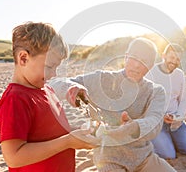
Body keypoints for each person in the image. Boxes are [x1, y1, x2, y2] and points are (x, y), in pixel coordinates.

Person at [50, 38, 176, 172]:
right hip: (108, 159)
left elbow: (155, 123)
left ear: (151, 66)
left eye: (144, 62)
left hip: (143, 157)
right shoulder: (102, 79)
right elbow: (52, 84)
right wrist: (70, 87)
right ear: (126, 56)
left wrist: (134, 127)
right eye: (134, 58)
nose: (137, 65)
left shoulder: (156, 91)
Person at [0, 22, 99, 172]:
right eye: (49, 66)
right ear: (23, 58)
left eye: (56, 67)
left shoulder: (47, 90)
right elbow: (14, 157)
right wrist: (67, 142)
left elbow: (50, 132)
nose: (54, 74)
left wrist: (80, 133)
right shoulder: (15, 99)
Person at [145, 44, 186, 159]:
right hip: (157, 123)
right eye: (172, 57)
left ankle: (170, 140)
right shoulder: (151, 73)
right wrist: (161, 116)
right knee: (169, 155)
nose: (174, 61)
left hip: (175, 122)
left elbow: (183, 100)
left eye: (178, 59)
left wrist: (176, 117)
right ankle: (155, 142)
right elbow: (145, 101)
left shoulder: (179, 74)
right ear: (164, 56)